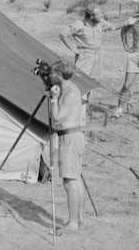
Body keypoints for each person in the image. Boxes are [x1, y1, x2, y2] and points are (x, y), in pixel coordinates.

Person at [60, 4, 119, 125]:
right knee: (81, 86)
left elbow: (113, 27)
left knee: (91, 85)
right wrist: (73, 49)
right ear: (91, 16)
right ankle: (78, 116)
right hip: (85, 57)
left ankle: (84, 114)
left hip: (96, 56)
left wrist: (131, 21)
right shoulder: (79, 25)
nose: (102, 15)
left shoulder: (100, 22)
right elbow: (63, 34)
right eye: (99, 14)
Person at [49, 60, 86, 232]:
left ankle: (72, 223)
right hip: (74, 136)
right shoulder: (71, 90)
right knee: (76, 178)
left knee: (70, 182)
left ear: (58, 75)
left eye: (53, 74)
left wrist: (54, 99)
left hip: (69, 139)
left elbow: (57, 118)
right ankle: (79, 219)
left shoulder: (70, 94)